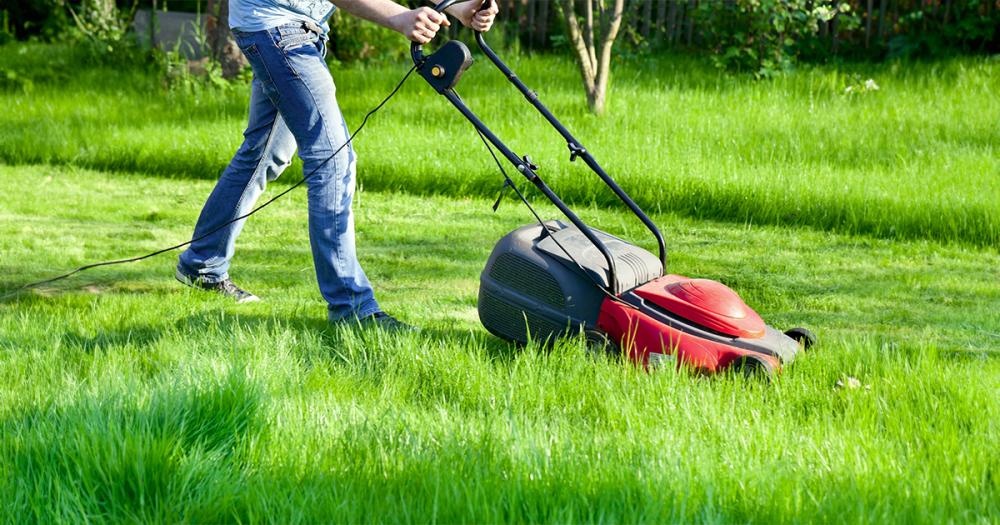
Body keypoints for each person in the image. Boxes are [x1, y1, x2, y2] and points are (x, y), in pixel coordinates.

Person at [174, 0, 499, 330]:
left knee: (265, 154)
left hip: (294, 27)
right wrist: (400, 18)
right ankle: (351, 308)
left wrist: (460, 6)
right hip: (275, 26)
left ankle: (202, 263)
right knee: (332, 159)